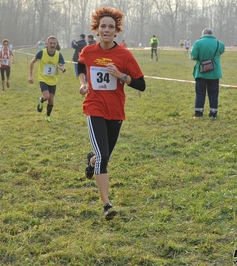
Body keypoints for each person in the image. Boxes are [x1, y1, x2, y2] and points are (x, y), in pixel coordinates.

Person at [78, 7, 146, 220]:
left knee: (101, 157)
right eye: (103, 26)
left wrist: (121, 76)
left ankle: (91, 162)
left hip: (116, 111)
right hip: (94, 107)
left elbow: (141, 84)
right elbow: (80, 65)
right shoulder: (88, 51)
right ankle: (107, 204)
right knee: (104, 158)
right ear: (97, 29)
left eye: (111, 27)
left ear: (116, 31)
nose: (106, 30)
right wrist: (83, 84)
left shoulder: (124, 55)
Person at [190, 28, 225, 119]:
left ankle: (198, 113)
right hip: (214, 73)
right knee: (213, 94)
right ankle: (213, 114)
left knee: (200, 93)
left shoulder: (198, 43)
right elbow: (221, 51)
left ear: (203, 34)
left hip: (201, 73)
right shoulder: (219, 44)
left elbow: (193, 56)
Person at [28, 36, 66, 122]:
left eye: (54, 43)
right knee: (46, 96)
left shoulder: (59, 55)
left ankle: (48, 115)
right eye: (50, 43)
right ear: (47, 44)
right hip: (43, 78)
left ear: (56, 44)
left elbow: (61, 65)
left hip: (53, 80)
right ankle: (41, 100)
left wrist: (62, 69)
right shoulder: (41, 53)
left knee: (51, 100)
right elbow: (32, 62)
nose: (52, 45)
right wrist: (30, 75)